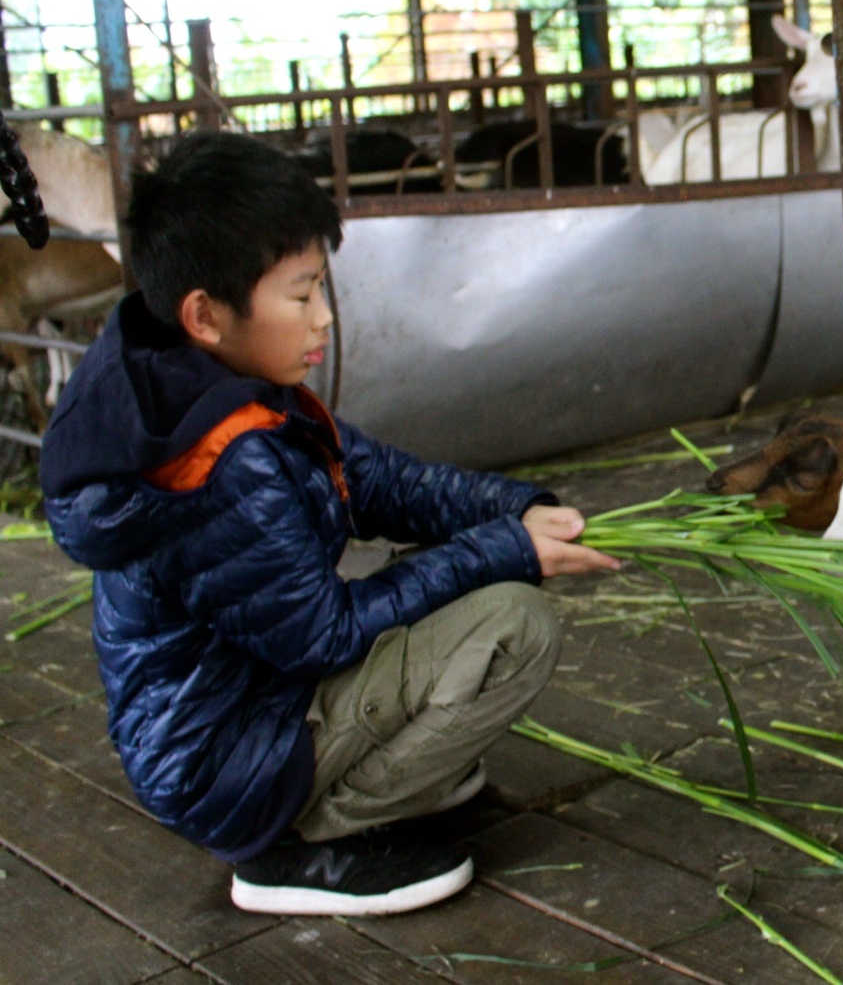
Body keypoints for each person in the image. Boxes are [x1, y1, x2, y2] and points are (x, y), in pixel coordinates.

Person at [39, 132, 619, 918]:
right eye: (302, 292)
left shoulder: (191, 383)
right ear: (205, 313)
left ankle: (348, 781)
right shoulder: (220, 459)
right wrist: (507, 551)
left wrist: (511, 508)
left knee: (465, 565)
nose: (323, 319)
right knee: (513, 623)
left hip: (235, 713)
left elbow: (375, 476)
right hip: (224, 762)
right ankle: (309, 839)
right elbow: (326, 634)